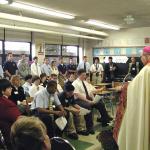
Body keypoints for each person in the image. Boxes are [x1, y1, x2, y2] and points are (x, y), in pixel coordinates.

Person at [116, 46, 150, 150]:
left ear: (147, 56)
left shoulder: (146, 70)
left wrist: (124, 87)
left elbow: (133, 89)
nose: (141, 58)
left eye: (142, 56)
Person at [0, 79, 21, 149]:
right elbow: (18, 119)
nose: (11, 88)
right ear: (2, 91)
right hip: (12, 135)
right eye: (9, 88)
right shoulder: (6, 103)